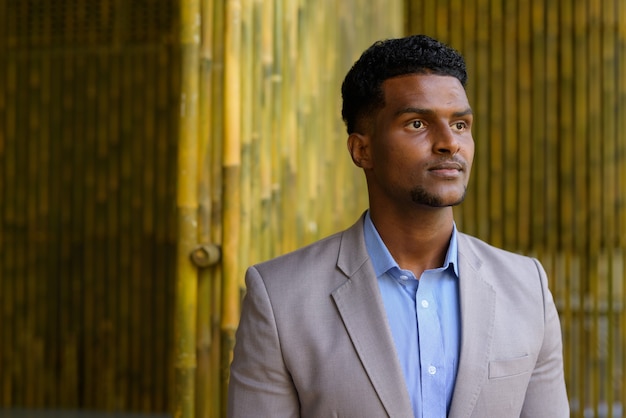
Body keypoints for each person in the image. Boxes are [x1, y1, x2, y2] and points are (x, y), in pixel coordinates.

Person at [227, 34, 569, 417]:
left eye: (460, 125)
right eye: (418, 123)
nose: (449, 144)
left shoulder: (527, 287)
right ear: (362, 150)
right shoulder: (280, 297)